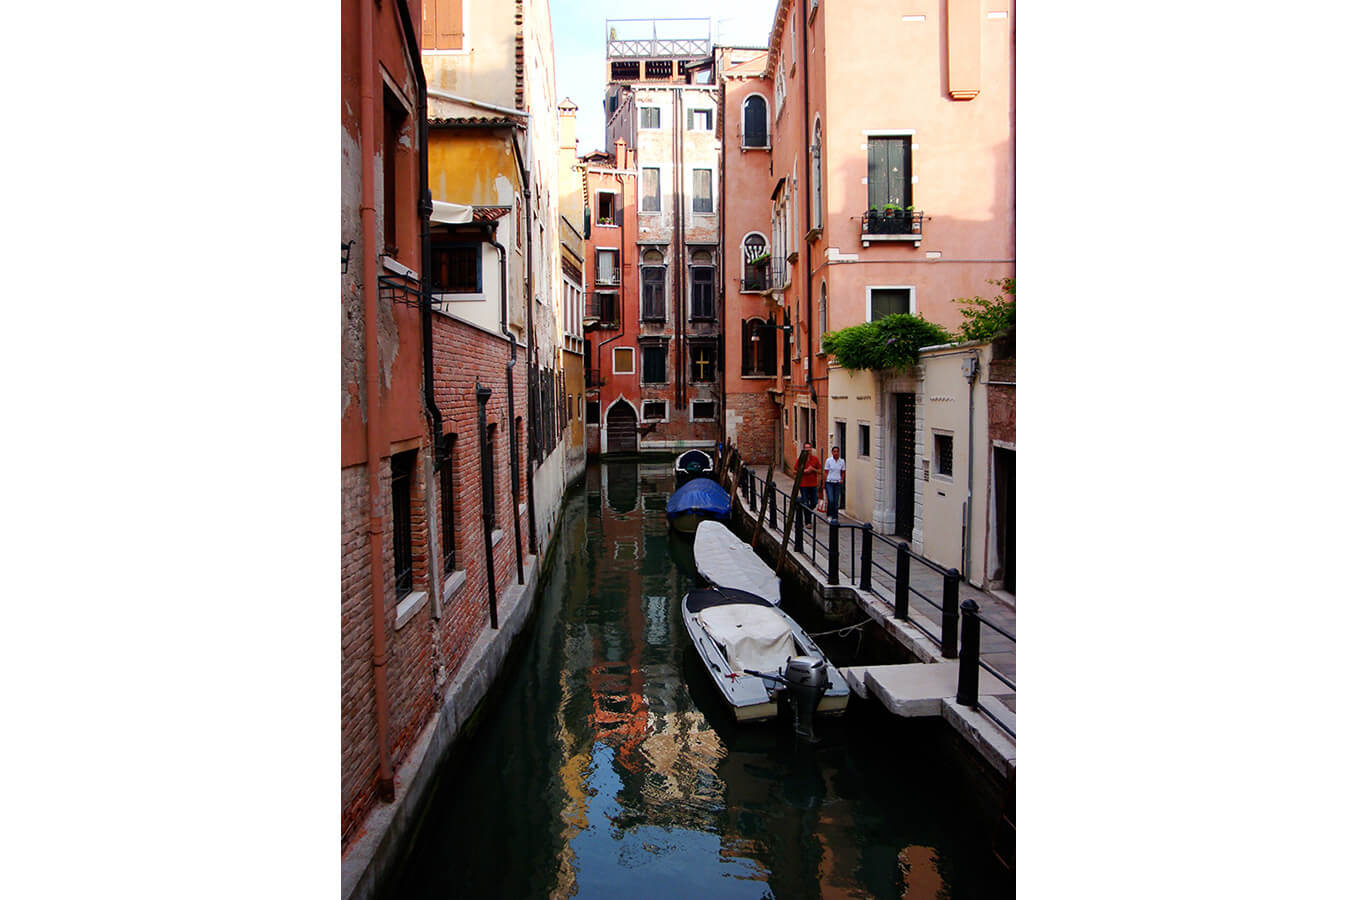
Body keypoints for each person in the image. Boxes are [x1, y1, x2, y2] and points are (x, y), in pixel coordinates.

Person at [797, 441, 821, 526]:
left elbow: (820, 471)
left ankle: (807, 512)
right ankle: (808, 522)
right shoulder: (800, 459)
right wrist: (804, 471)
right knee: (806, 502)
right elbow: (794, 471)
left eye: (809, 448)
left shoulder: (815, 459)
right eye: (806, 448)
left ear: (811, 449)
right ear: (803, 449)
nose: (808, 450)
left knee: (814, 502)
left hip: (813, 485)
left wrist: (813, 469)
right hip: (803, 485)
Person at [823, 445, 846, 523]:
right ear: (832, 452)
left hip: (837, 483)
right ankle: (829, 515)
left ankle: (835, 516)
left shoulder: (842, 461)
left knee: (836, 501)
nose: (836, 453)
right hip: (829, 482)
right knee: (831, 499)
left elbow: (843, 472)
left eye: (837, 451)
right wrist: (824, 483)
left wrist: (841, 479)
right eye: (834, 451)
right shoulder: (829, 461)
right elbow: (826, 472)